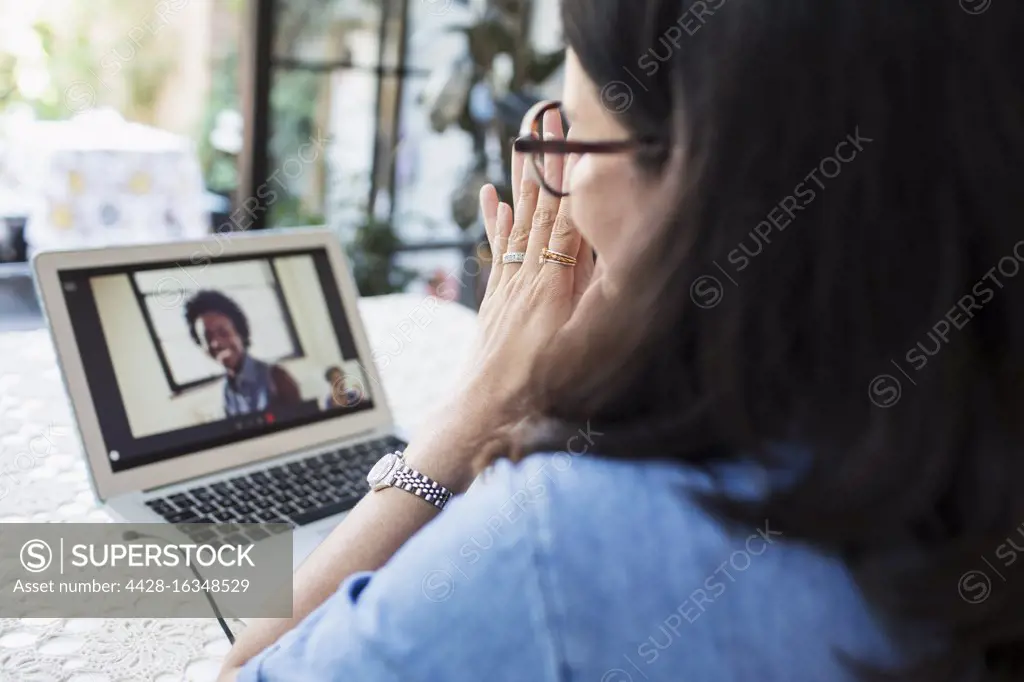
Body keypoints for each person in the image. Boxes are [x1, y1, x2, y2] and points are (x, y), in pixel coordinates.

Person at [220, 1, 1024, 680]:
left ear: (704, 183)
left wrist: (472, 414)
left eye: (573, 135)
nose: (558, 184)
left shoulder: (567, 550)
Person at [184, 290, 301, 417]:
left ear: (240, 333)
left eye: (223, 332)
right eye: (207, 338)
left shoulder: (277, 378)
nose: (216, 343)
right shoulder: (226, 393)